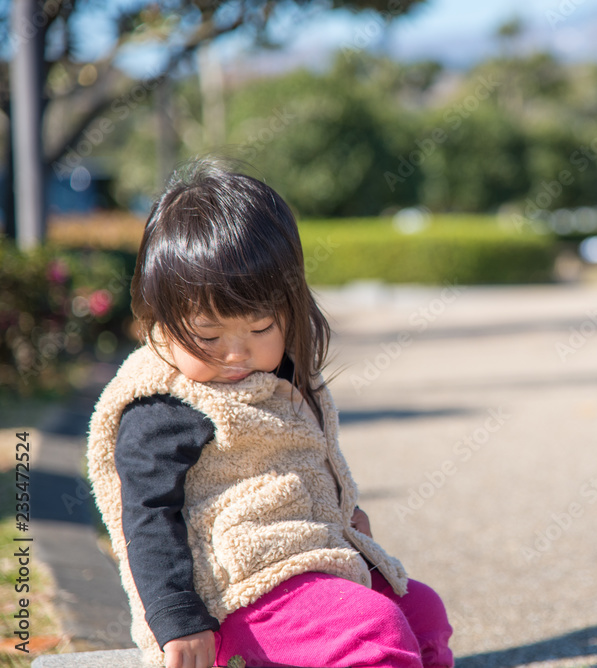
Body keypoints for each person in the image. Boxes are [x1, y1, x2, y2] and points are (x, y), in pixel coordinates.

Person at [87, 159, 453, 668]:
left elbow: (305, 460)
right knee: (374, 629)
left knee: (423, 611)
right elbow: (147, 519)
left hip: (304, 561)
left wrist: (344, 516)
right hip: (236, 592)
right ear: (161, 316)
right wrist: (178, 619)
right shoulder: (165, 404)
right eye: (209, 336)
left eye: (260, 328)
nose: (236, 353)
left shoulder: (283, 375)